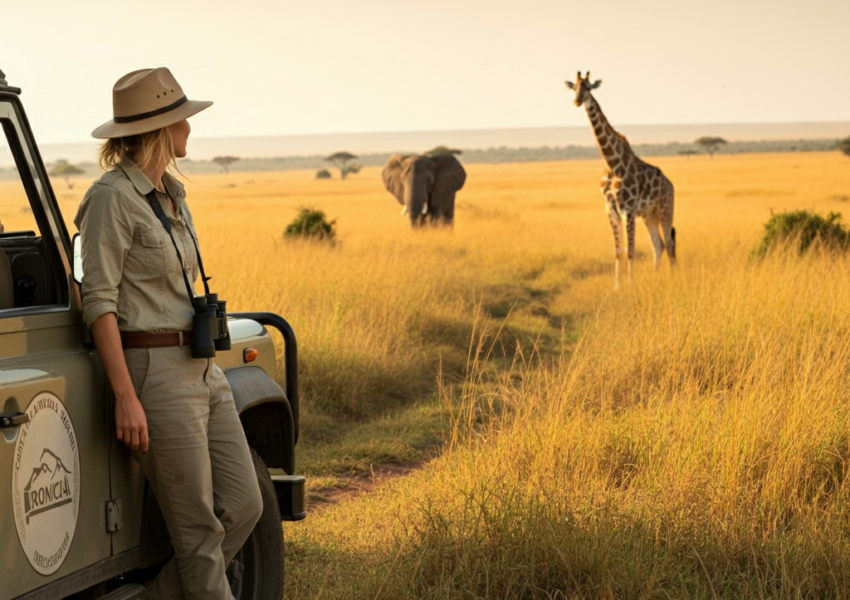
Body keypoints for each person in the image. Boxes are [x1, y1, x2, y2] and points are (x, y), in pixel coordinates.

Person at [74, 67, 262, 600]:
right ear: (163, 129)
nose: (190, 126)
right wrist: (126, 397)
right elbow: (100, 303)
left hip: (201, 367)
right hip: (154, 374)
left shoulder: (172, 192)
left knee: (245, 503)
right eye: (182, 117)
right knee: (199, 536)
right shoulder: (112, 198)